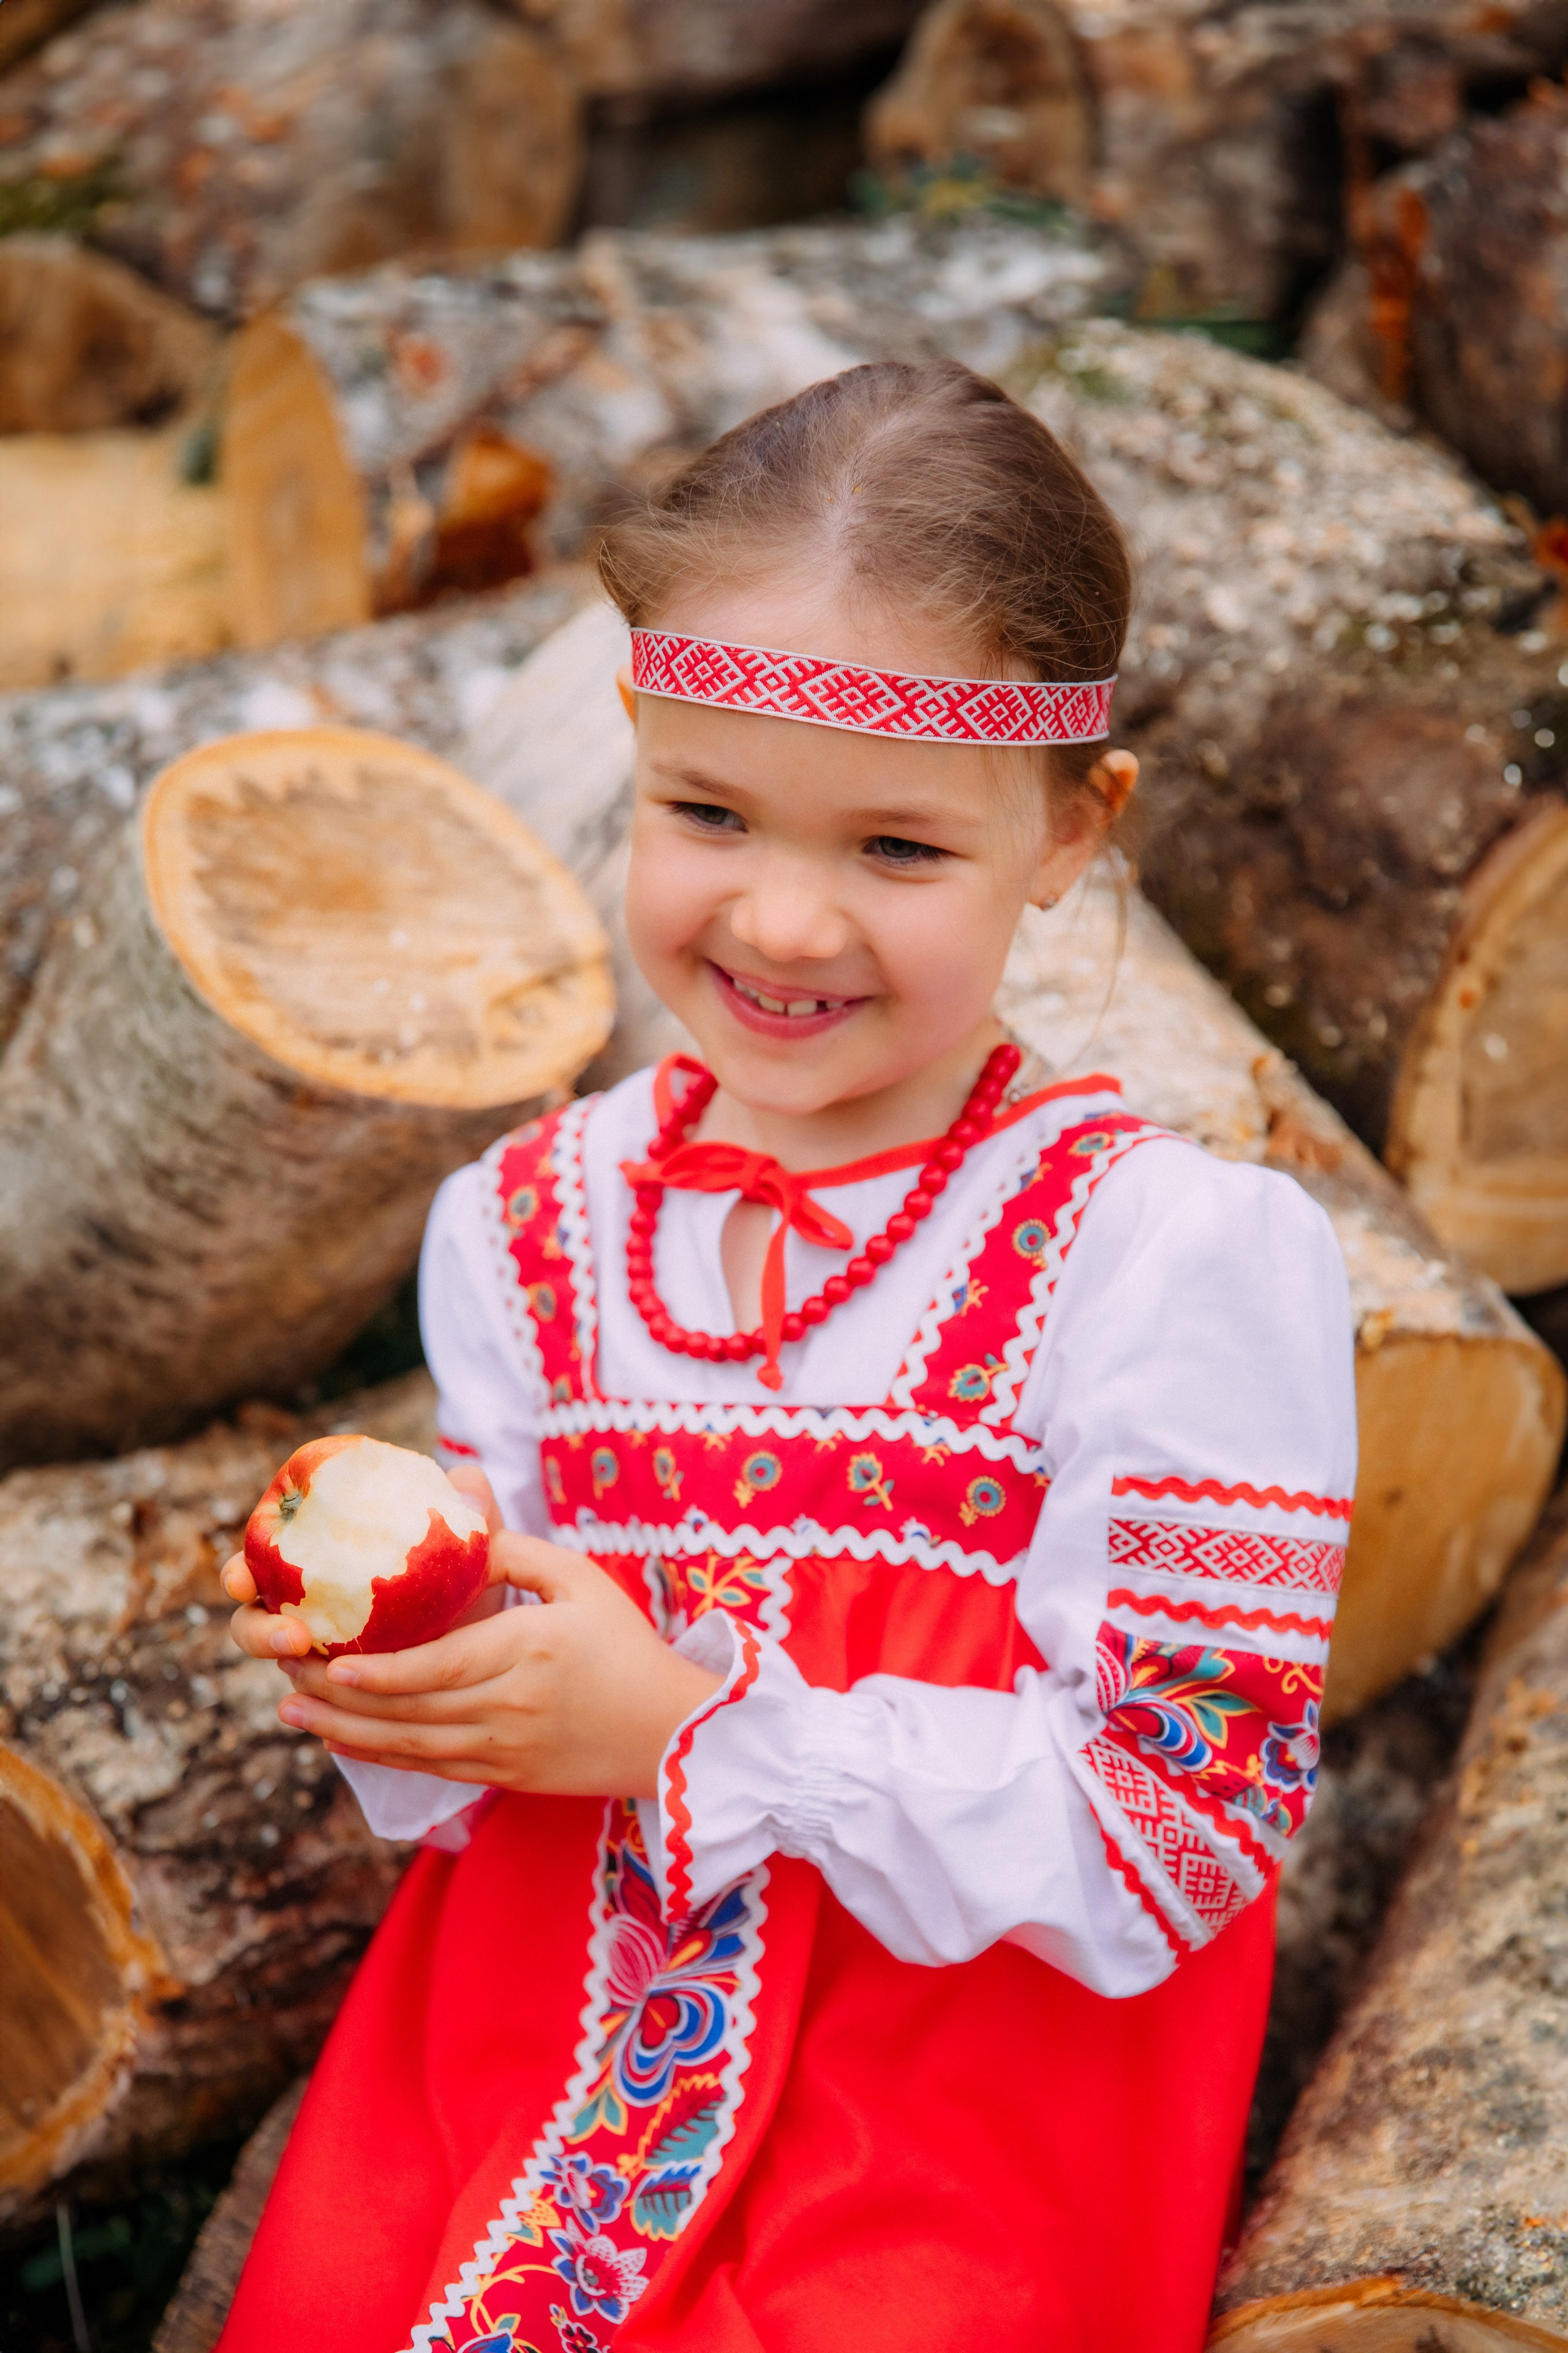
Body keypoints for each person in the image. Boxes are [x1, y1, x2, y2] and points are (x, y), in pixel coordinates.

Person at [216, 359, 1356, 2353]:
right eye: (708, 810)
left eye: (899, 850)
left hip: (941, 2169)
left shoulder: (1169, 1260)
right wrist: (414, 1686)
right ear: (634, 754)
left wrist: (692, 1725)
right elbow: (496, 1750)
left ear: (1072, 829)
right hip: (493, 2090)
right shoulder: (533, 1226)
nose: (785, 914)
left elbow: (1181, 1819)